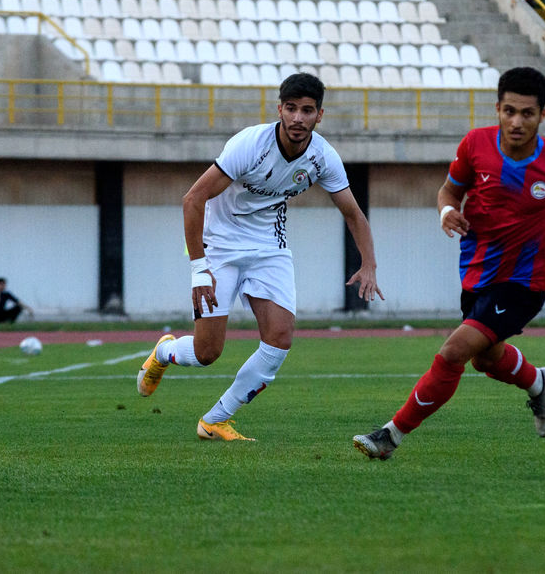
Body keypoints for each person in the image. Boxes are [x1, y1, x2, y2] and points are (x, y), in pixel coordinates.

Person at [353, 67, 545, 460]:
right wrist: (446, 212)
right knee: (486, 359)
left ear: (543, 115)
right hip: (477, 277)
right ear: (497, 109)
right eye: (509, 111)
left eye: (527, 113)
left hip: (524, 284)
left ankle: (390, 436)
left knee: (453, 352)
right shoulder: (475, 145)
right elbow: (449, 191)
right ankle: (538, 383)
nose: (516, 122)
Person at [137, 72, 384, 441]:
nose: (298, 118)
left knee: (280, 338)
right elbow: (193, 199)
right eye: (291, 108)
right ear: (279, 109)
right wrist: (199, 270)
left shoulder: (322, 157)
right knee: (207, 353)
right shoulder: (250, 145)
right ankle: (164, 353)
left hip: (270, 248)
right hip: (220, 246)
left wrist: (369, 265)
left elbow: (353, 213)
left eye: (307, 110)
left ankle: (214, 420)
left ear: (319, 115)